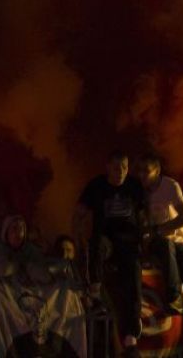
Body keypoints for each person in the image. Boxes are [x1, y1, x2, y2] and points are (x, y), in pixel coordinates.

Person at [74, 150, 148, 352]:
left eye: (124, 167)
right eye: (116, 168)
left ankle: (131, 333)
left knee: (133, 273)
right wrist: (78, 239)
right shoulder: (97, 185)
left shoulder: (134, 186)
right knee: (98, 243)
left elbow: (143, 215)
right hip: (106, 239)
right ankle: (95, 290)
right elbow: (79, 212)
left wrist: (145, 239)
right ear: (107, 168)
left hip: (128, 241)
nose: (120, 172)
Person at [138, 153, 183, 352]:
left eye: (146, 171)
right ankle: (174, 297)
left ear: (157, 170)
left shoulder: (170, 186)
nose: (142, 176)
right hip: (161, 245)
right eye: (140, 171)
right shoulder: (141, 193)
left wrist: (158, 229)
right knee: (165, 243)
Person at [0, 214, 48, 283]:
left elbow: (43, 273)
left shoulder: (30, 249)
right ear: (6, 232)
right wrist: (22, 265)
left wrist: (31, 268)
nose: (18, 233)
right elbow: (4, 269)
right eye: (14, 228)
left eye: (21, 229)